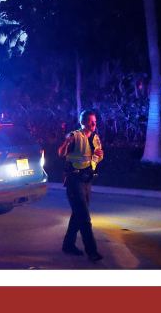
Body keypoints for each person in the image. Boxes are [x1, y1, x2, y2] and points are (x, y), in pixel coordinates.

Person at [57, 109, 104, 262]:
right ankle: (92, 252)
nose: (93, 124)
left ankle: (68, 245)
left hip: (86, 180)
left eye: (95, 121)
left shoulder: (95, 137)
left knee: (78, 214)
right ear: (83, 122)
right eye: (90, 121)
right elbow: (60, 152)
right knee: (84, 217)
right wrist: (66, 142)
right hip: (74, 179)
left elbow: (99, 153)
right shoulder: (74, 136)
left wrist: (96, 159)